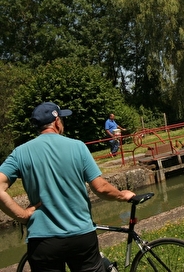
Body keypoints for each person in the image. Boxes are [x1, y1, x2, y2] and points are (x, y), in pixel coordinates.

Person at [0, 102, 135, 272]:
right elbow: (100, 188)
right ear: (57, 122)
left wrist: (22, 215)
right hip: (80, 235)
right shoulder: (77, 147)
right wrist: (123, 195)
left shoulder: (20, 153)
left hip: (43, 240)